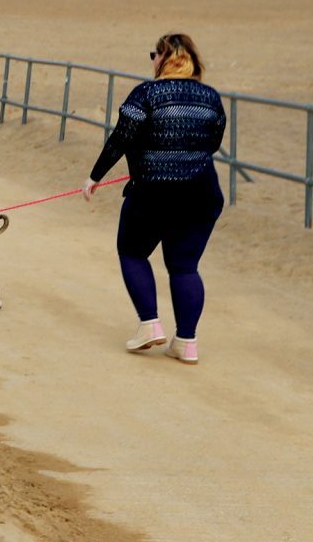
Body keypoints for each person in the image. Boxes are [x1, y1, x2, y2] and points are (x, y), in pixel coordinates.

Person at [83, 33, 227, 364]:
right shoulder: (210, 97)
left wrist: (94, 177)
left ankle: (150, 324)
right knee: (185, 266)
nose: (152, 60)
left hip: (154, 192)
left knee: (131, 252)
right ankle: (186, 343)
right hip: (201, 192)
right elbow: (214, 141)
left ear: (164, 58)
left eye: (154, 54)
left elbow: (122, 136)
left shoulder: (146, 93)